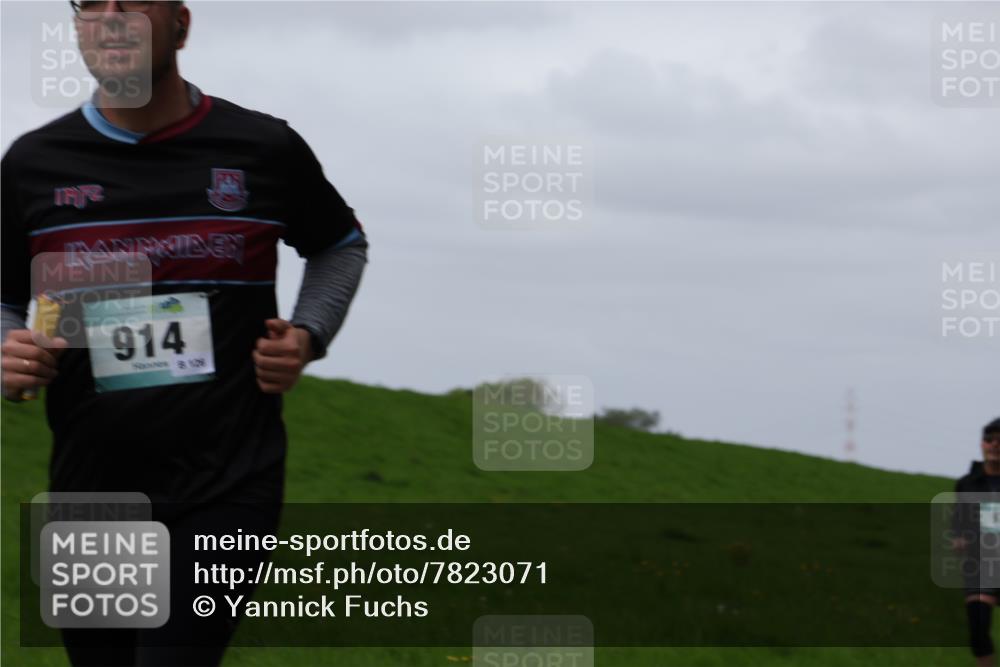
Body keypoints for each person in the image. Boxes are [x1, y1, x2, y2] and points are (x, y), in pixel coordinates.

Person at [1, 1, 368, 665]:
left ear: (180, 23)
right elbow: (4, 298)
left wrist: (309, 333)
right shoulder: (33, 163)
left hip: (226, 481)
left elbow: (340, 244)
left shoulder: (262, 148)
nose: (110, 18)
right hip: (93, 486)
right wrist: (8, 350)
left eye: (132, 2)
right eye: (90, 4)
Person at [954, 418, 1000, 667]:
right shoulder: (967, 483)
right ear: (982, 444)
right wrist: (959, 538)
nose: (995, 445)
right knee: (978, 630)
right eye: (989, 439)